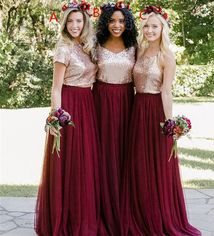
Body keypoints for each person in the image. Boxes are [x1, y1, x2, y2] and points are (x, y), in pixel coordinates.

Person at [121, 6, 201, 236]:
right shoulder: (138, 51)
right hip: (137, 110)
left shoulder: (167, 56)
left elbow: (166, 91)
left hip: (156, 111)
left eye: (155, 26)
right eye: (146, 25)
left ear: (163, 28)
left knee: (157, 163)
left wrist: (170, 124)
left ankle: (160, 216)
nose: (149, 29)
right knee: (137, 163)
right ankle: (138, 213)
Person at [35, 2, 100, 235]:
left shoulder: (87, 46)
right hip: (70, 105)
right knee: (70, 161)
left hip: (88, 105)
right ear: (65, 23)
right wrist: (56, 117)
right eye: (70, 21)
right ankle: (67, 218)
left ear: (85, 23)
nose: (74, 25)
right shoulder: (63, 48)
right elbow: (56, 88)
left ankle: (84, 214)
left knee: (86, 161)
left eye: (79, 21)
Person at [93, 2, 138, 235]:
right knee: (101, 153)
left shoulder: (134, 46)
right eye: (112, 20)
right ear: (105, 22)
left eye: (121, 21)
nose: (117, 25)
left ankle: (124, 206)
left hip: (126, 102)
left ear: (128, 22)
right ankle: (100, 207)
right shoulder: (96, 44)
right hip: (99, 101)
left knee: (123, 153)